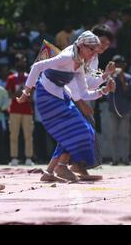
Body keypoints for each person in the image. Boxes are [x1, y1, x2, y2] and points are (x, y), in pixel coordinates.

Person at [17, 32, 115, 181]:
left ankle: (51, 172)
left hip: (62, 94)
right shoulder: (67, 56)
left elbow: (84, 92)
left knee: (85, 130)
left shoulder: (80, 62)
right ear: (81, 46)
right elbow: (37, 66)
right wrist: (26, 91)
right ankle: (62, 167)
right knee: (75, 130)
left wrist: (104, 91)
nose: (93, 55)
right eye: (91, 50)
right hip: (47, 95)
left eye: (95, 51)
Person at [6, 54, 35, 166]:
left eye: (23, 60)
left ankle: (28, 158)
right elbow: (10, 95)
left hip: (27, 110)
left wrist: (19, 94)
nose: (21, 63)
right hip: (14, 110)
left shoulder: (30, 77)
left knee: (28, 135)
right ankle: (14, 158)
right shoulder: (11, 78)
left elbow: (31, 97)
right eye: (19, 61)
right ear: (16, 63)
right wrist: (22, 94)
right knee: (13, 135)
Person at [106, 55, 131, 165]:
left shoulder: (129, 78)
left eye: (120, 65)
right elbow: (106, 92)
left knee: (125, 136)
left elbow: (130, 94)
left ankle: (126, 159)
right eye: (116, 64)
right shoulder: (109, 77)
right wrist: (111, 77)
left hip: (125, 110)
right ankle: (115, 159)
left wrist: (122, 79)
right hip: (112, 109)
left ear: (124, 66)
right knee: (113, 135)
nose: (118, 67)